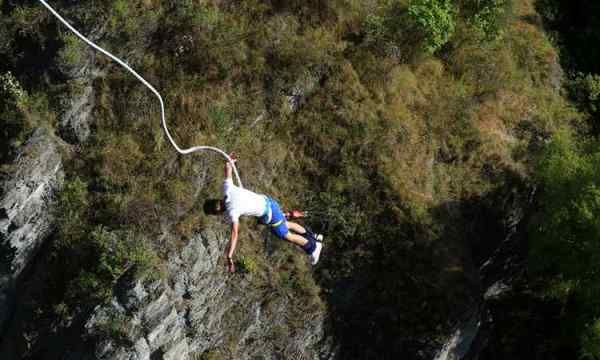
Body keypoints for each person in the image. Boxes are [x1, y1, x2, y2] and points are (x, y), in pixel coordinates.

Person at [203, 155, 323, 273]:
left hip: (270, 214)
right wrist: (229, 161)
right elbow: (228, 168)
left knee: (286, 235)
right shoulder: (227, 189)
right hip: (270, 202)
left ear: (217, 212)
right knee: (286, 224)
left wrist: (229, 256)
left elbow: (235, 234)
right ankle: (314, 236)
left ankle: (313, 248)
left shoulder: (232, 212)